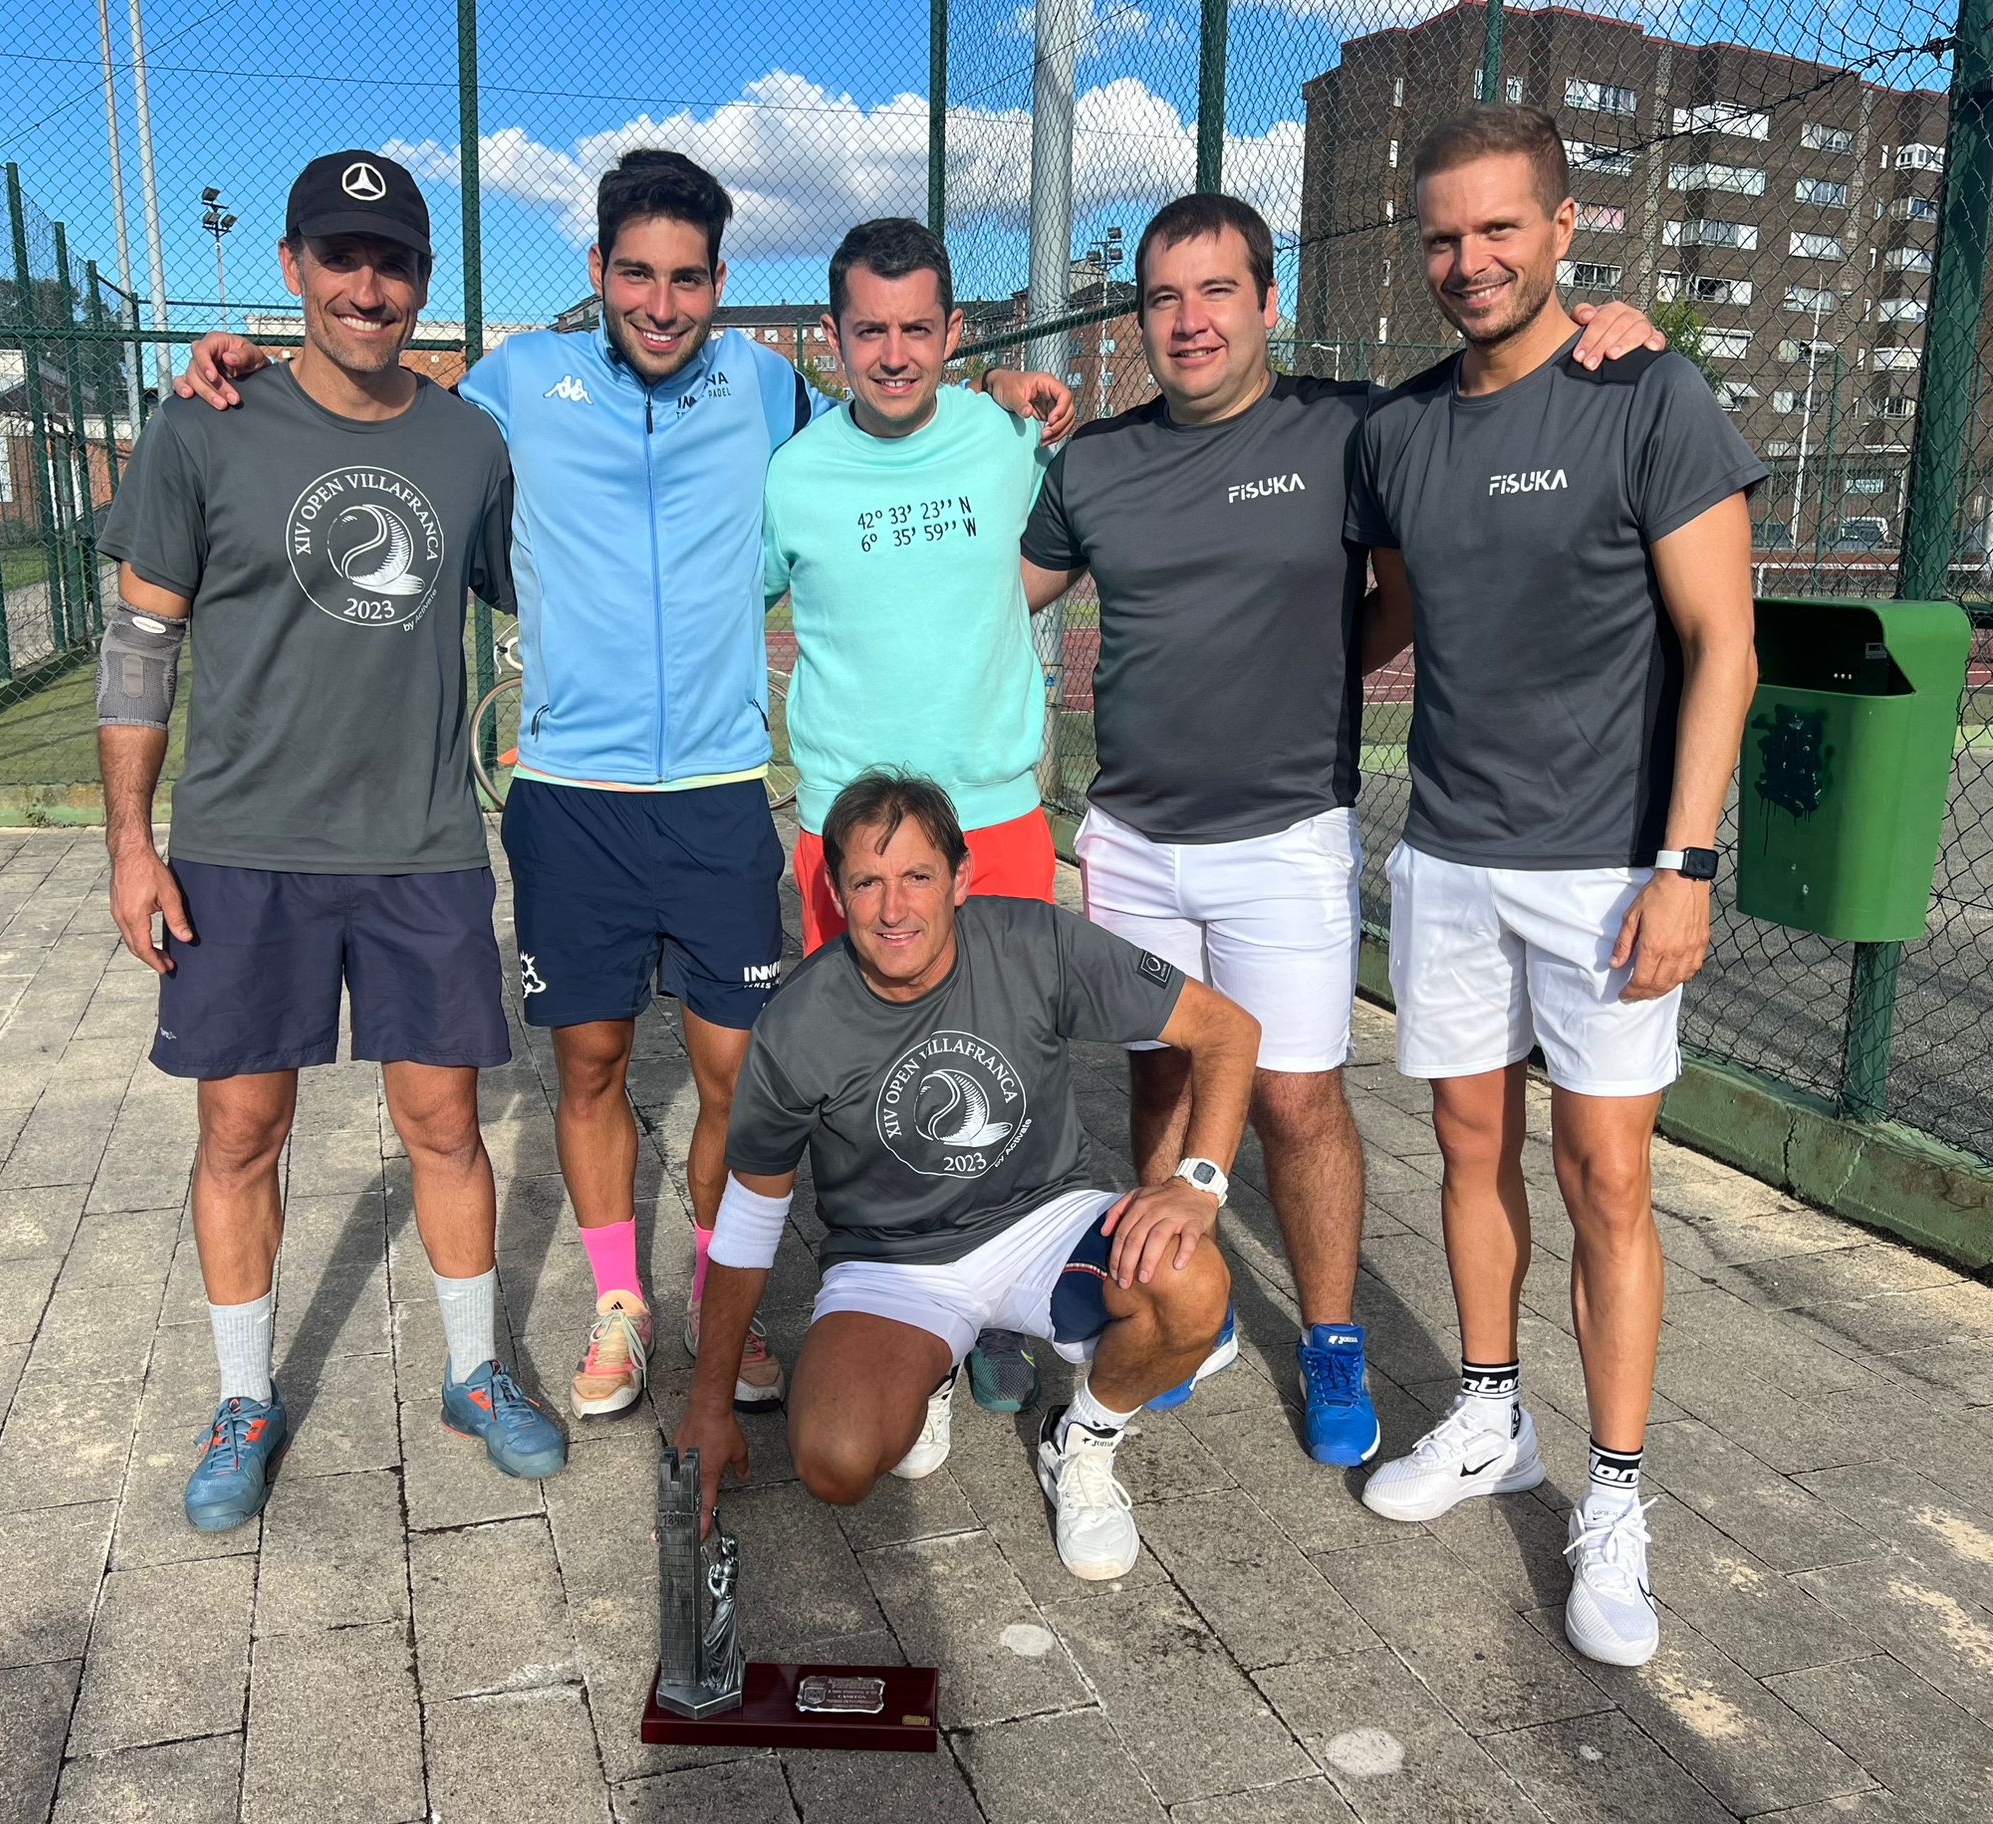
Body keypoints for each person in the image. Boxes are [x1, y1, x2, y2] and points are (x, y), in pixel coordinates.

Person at [173, 152, 1072, 1429]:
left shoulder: (772, 392)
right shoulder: (507, 391)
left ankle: (727, 1314)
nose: (661, 302)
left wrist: (992, 389)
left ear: (719, 284)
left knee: (736, 1079)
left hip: (715, 796)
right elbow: (363, 397)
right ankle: (616, 1307)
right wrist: (242, 366)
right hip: (568, 798)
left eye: (688, 278)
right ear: (595, 272)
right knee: (588, 1067)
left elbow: (900, 419)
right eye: (636, 273)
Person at [1018, 191, 1665, 1459]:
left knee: (1294, 1100)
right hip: (1134, 840)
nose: (1188, 321)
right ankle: (1175, 1313)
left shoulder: (1349, 430)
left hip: (1284, 838)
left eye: (1216, 292)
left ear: (1267, 302)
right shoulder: (1092, 463)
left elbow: (1448, 488)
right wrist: (975, 424)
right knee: (1156, 1069)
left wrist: (1605, 325)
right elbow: (991, 590)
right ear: (1137, 316)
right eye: (1161, 297)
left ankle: (1328, 1341)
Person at [1345, 106, 1764, 1668]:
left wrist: (1685, 863)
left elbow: (1726, 644)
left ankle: (1615, 1496)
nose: (1470, 261)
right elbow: (1379, 622)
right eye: (1444, 236)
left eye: (1500, 228)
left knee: (1606, 1180)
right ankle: (1493, 1417)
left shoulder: (1648, 392)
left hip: (1609, 869)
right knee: (1466, 1143)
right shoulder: (1397, 433)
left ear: (1564, 226)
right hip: (1449, 850)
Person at [96, 150, 564, 1533]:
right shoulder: (205, 425)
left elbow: (547, 571)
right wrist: (131, 845)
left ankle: (476, 1372)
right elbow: (139, 645)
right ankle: (246, 1396)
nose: (370, 285)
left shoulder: (470, 442)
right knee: (244, 1126)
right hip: (243, 846)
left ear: (422, 278)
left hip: (419, 843)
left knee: (442, 1120)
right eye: (342, 256)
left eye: (396, 260)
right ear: (294, 266)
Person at [674, 771, 1259, 1581]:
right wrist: (709, 1402)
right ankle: (932, 1363)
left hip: (1044, 1219)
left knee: (1192, 1285)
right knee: (833, 1463)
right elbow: (749, 1218)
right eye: (867, 882)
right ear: (837, 895)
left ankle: (1082, 1443)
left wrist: (1197, 1184)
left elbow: (1226, 1029)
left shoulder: (1035, 941)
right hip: (893, 1261)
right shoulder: (797, 1023)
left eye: (918, 876)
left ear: (960, 877)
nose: (894, 907)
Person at [762, 215, 1067, 1417]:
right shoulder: (793, 475)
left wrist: (1011, 395)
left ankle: (996, 1299)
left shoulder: (1006, 438)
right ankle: (895, 1297)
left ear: (952, 332)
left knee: (1014, 1064)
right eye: (867, 331)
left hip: (992, 815)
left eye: (916, 330)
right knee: (866, 1078)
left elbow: (1064, 531)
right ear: (831, 337)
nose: (892, 355)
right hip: (850, 830)